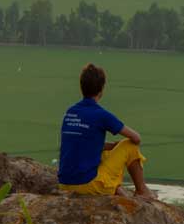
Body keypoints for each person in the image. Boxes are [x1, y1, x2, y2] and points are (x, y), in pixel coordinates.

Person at [57, 63, 150, 197]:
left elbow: (84, 143)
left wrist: (112, 146)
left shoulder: (70, 112)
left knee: (106, 152)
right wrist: (119, 145)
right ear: (101, 89)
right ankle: (142, 191)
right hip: (88, 185)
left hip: (64, 184)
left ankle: (115, 188)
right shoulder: (102, 115)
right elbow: (136, 138)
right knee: (129, 146)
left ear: (81, 87)